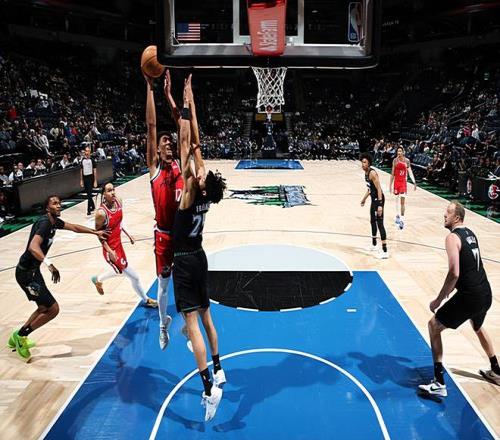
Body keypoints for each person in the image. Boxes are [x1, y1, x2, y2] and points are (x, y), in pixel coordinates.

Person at [173, 75, 227, 421]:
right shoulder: (204, 191)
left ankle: (209, 388)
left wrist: (184, 105)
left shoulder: (191, 190)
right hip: (200, 257)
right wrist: (191, 103)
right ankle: (219, 368)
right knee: (207, 317)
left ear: (202, 186)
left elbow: (186, 143)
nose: (202, 171)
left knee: (191, 322)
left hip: (184, 260)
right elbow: (196, 144)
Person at [8, 195, 109, 361]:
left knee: (43, 307)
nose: (59, 205)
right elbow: (33, 246)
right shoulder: (45, 223)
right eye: (54, 203)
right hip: (26, 275)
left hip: (33, 271)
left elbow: (74, 227)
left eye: (59, 203)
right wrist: (50, 264)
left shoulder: (54, 222)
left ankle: (17, 336)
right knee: (53, 309)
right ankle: (21, 336)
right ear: (47, 208)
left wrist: (94, 232)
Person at [419, 201, 499, 396]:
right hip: (485, 293)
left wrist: (438, 300)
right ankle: (496, 369)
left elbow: (454, 273)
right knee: (477, 326)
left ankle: (439, 383)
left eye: (447, 212)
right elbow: (470, 266)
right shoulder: (470, 233)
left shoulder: (452, 237)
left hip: (470, 296)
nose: (444, 215)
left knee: (433, 326)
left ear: (457, 217)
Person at [145, 70, 184, 350]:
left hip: (182, 235)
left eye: (171, 141)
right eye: (165, 142)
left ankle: (187, 324)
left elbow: (182, 125)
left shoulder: (180, 164)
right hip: (163, 236)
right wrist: (150, 87)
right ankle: (163, 324)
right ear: (158, 150)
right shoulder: (154, 169)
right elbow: (151, 126)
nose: (169, 143)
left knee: (186, 281)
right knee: (163, 286)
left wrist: (170, 96)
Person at [91, 183, 157, 307]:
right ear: (104, 194)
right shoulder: (101, 213)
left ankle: (98, 279)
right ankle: (146, 300)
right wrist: (109, 250)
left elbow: (119, 221)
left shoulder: (118, 201)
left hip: (119, 245)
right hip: (110, 249)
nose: (113, 192)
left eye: (113, 189)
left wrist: (128, 234)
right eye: (109, 191)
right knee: (134, 276)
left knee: (120, 271)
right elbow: (99, 235)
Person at [360, 153, 388, 258]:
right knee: (372, 221)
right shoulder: (366, 173)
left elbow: (379, 189)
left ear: (369, 163)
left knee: (380, 224)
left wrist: (380, 205)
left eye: (365, 162)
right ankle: (374, 244)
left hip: (379, 200)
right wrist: (364, 199)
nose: (363, 164)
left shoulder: (372, 173)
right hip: (373, 199)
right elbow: (369, 189)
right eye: (362, 162)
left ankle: (385, 251)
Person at [389, 146, 416, 229]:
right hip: (396, 182)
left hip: (403, 183)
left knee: (402, 202)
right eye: (398, 151)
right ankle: (397, 216)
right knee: (396, 201)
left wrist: (414, 182)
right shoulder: (395, 160)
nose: (399, 153)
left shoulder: (407, 161)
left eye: (400, 151)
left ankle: (402, 220)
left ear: (403, 152)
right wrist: (390, 185)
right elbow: (392, 173)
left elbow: (410, 172)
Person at [80, 147, 97, 216]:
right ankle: (93, 206)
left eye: (88, 151)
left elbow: (95, 171)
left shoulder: (92, 160)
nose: (87, 152)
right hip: (85, 178)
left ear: (90, 152)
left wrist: (95, 180)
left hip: (90, 178)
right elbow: (81, 171)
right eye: (86, 151)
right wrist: (81, 180)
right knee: (88, 194)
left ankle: (88, 210)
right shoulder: (82, 160)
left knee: (89, 194)